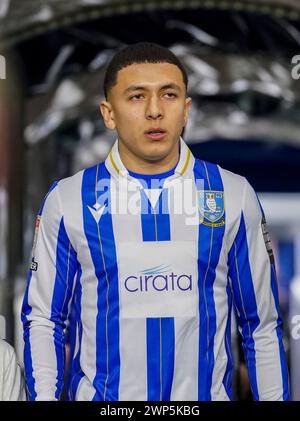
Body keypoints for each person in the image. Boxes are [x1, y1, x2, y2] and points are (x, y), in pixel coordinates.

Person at [22, 42, 289, 401]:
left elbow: (261, 327)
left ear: (186, 109)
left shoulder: (232, 194)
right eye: (136, 96)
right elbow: (45, 320)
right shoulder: (68, 199)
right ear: (108, 113)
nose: (154, 111)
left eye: (169, 95)